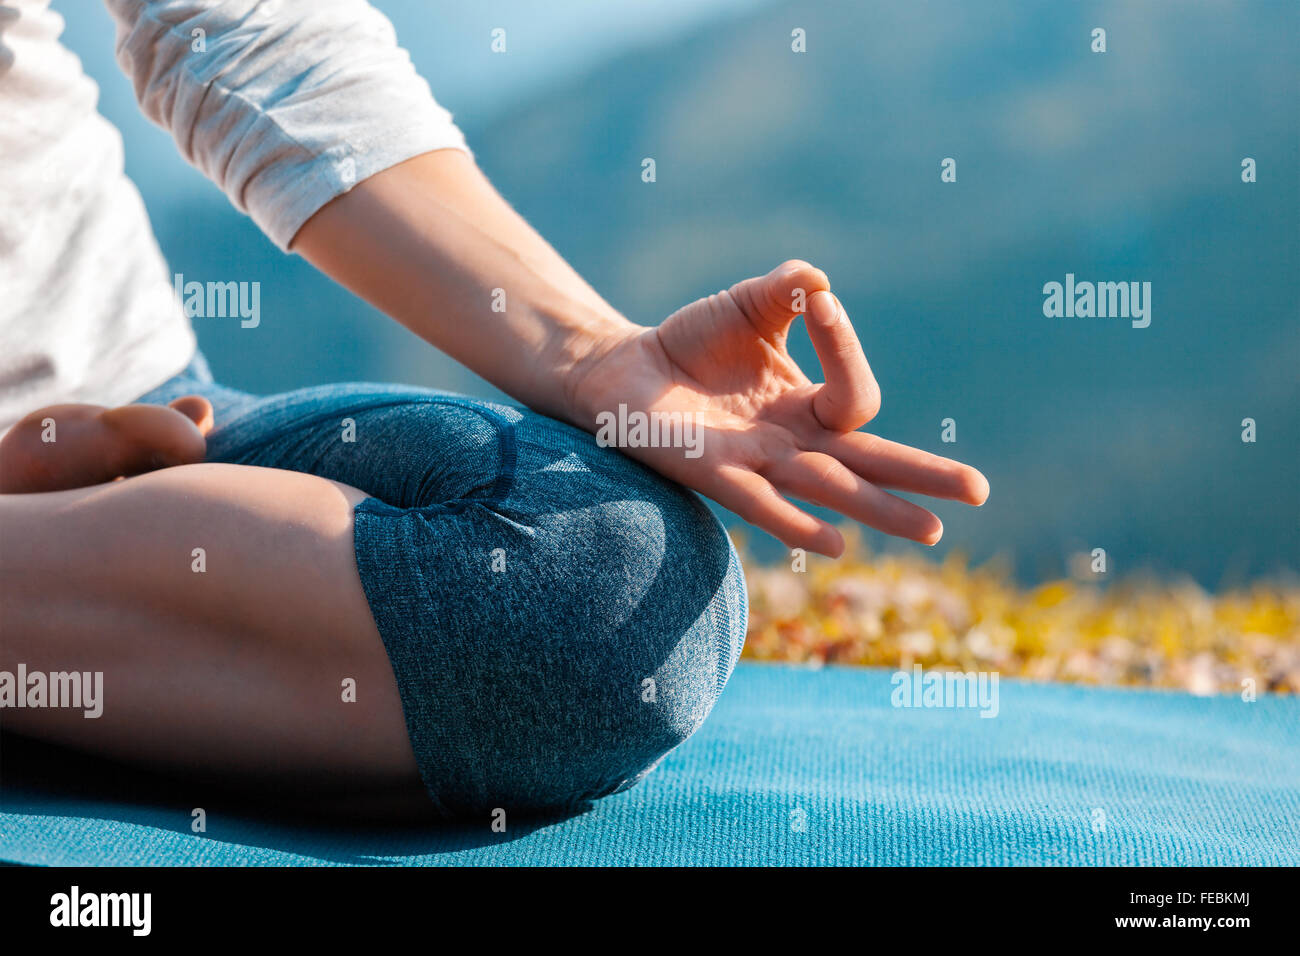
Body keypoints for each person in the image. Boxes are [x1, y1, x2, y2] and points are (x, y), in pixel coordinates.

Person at [0, 0, 987, 818]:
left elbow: (246, 28)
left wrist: (594, 352)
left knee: (598, 568)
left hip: (145, 396)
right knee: (566, 641)